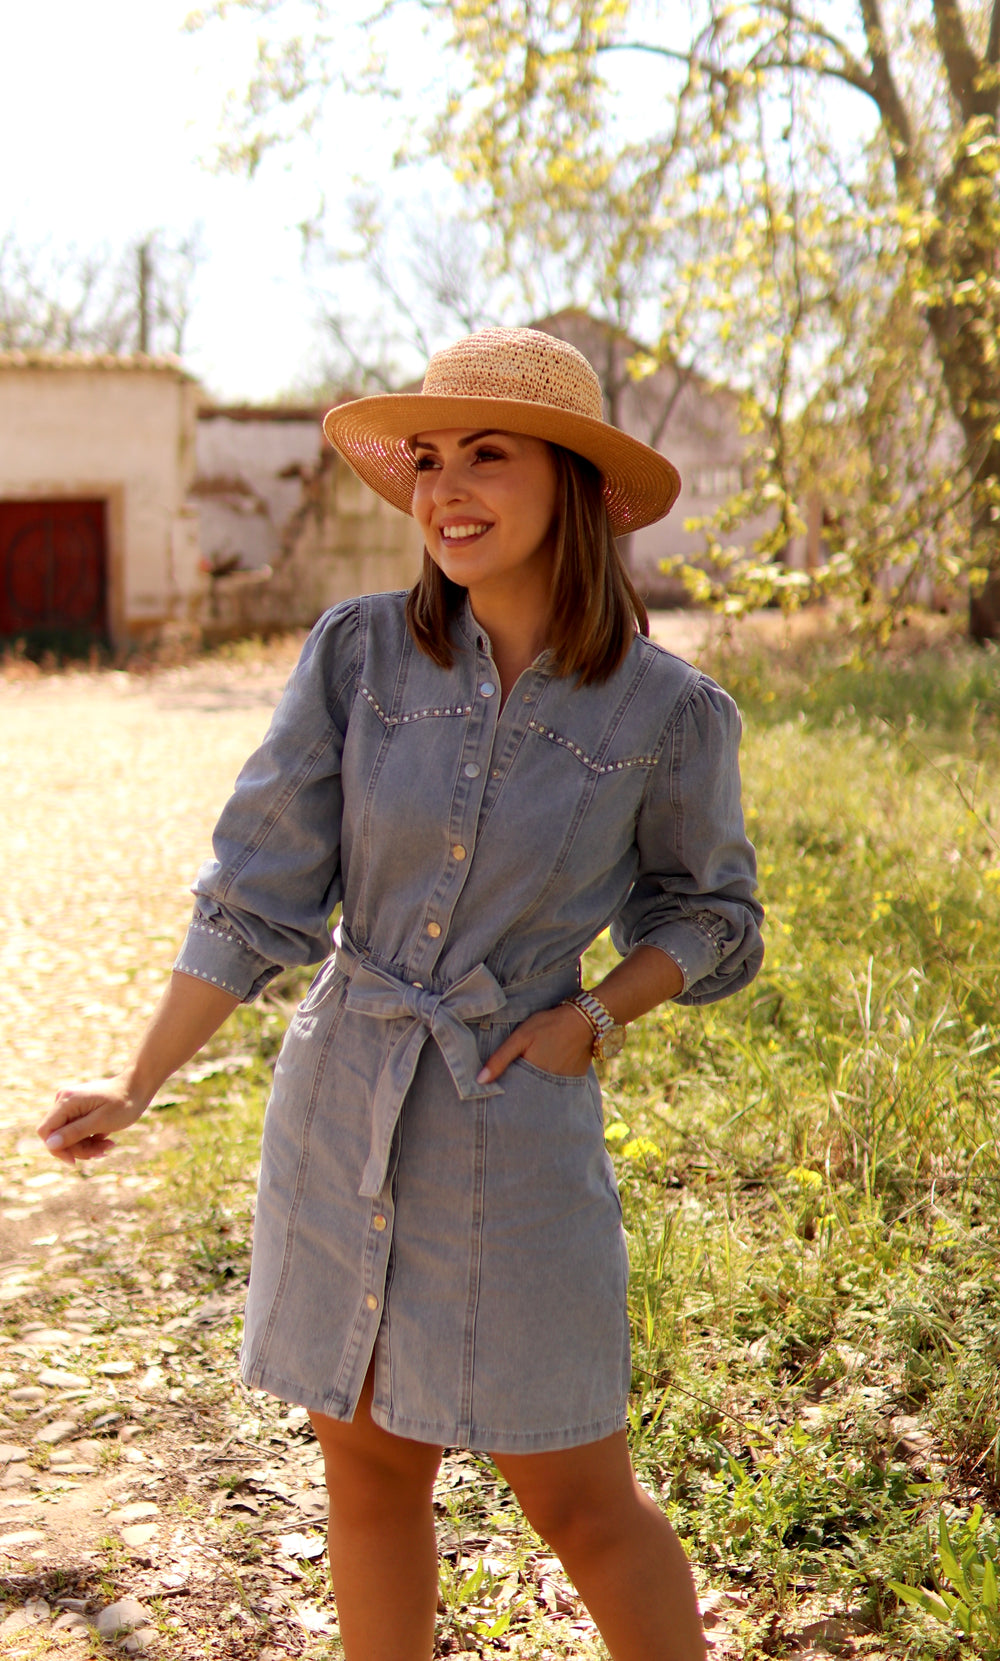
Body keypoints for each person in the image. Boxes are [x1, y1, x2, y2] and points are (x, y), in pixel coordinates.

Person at [39, 327, 763, 1661]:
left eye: (486, 455)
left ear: (575, 485)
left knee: (582, 1500)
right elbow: (255, 892)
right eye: (426, 460)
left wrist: (597, 1014)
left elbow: (714, 913)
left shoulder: (667, 712)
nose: (446, 490)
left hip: (514, 1124)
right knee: (369, 1477)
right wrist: (135, 1085)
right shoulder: (357, 655)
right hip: (341, 1102)